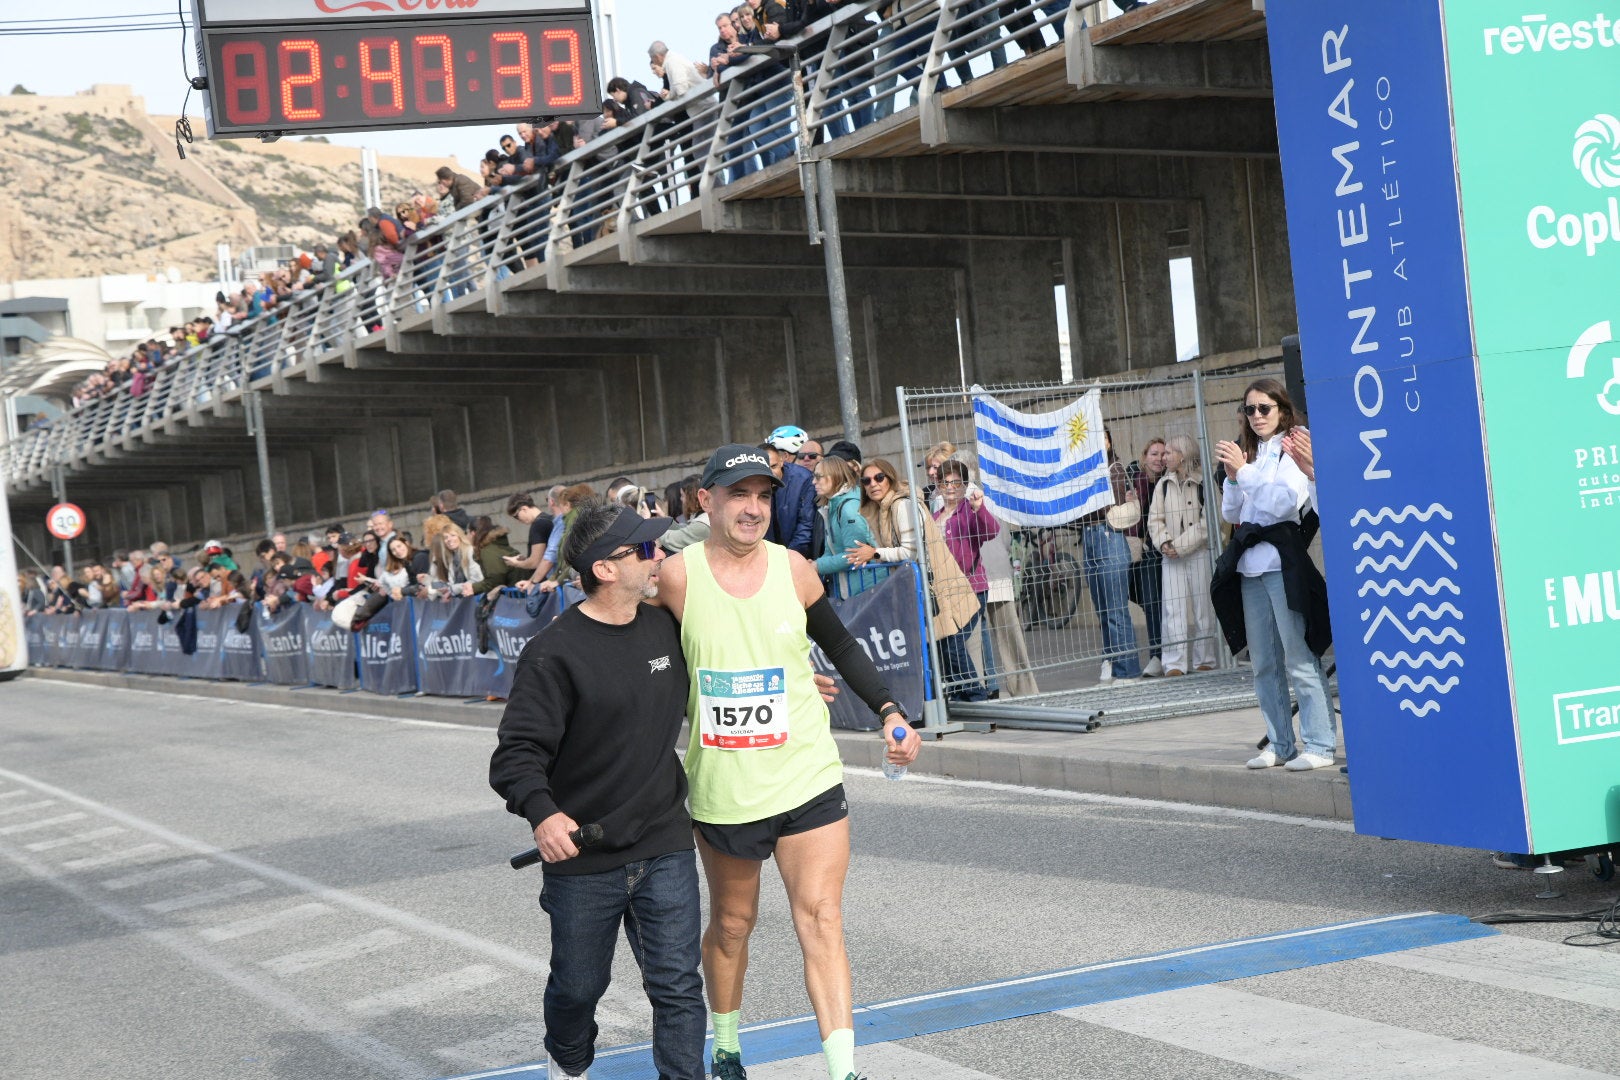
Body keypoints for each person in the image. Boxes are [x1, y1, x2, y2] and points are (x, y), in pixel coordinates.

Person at [655, 444, 921, 1080]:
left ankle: (844, 1070)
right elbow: (654, 674)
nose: (753, 508)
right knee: (731, 925)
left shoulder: (796, 568)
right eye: (739, 495)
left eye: (764, 496)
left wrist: (889, 710)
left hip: (806, 773)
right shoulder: (677, 577)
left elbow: (841, 645)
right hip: (726, 785)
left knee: (823, 918)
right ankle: (725, 1046)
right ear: (706, 501)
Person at [489, 505, 707, 1080]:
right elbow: (515, 754)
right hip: (583, 854)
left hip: (663, 838)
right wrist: (544, 816)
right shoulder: (553, 653)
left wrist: (789, 680)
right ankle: (570, 1059)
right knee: (579, 988)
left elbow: (722, 672)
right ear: (605, 569)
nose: (658, 556)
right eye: (644, 550)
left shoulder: (667, 626)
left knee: (679, 986)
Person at [1213, 379, 1336, 772]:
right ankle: (1281, 742)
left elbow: (1284, 504)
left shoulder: (1293, 445)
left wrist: (1244, 473)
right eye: (1249, 410)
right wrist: (1233, 476)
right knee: (1264, 661)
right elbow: (1233, 514)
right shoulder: (1251, 452)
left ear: (1282, 409)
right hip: (1250, 566)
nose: (1257, 416)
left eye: (1264, 408)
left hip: (1282, 562)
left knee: (1299, 656)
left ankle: (1319, 743)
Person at [1148, 434, 1217, 676]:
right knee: (1173, 610)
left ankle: (1205, 658)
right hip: (1170, 556)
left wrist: (1180, 546)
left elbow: (1208, 523)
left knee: (1203, 608)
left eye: (1169, 452)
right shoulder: (1163, 485)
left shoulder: (1203, 483)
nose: (1164, 457)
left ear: (1183, 455)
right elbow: (1154, 520)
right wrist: (1165, 543)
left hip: (1198, 553)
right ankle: (1174, 663)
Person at [932, 459, 999, 701]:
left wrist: (979, 508)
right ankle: (961, 693)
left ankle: (975, 694)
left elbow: (991, 530)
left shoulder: (968, 511)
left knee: (954, 641)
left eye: (955, 482)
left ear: (964, 485)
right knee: (945, 642)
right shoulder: (935, 516)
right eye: (944, 482)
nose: (950, 487)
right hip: (945, 590)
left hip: (971, 587)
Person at [1081, 431, 1142, 683]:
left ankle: (1127, 669)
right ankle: (1110, 659)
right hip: (1090, 537)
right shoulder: (1083, 471)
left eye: (1102, 437)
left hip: (1108, 537)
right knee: (1103, 609)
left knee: (1116, 608)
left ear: (1109, 441)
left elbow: (1103, 504)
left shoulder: (1114, 468)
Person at [1125, 438, 1167, 677]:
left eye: (1163, 454)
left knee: (1154, 603)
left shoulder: (1167, 482)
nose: (1159, 458)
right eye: (1154, 453)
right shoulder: (1135, 481)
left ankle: (1159, 655)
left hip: (1160, 550)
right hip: (1139, 551)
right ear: (1144, 457)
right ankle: (1160, 652)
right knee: (1147, 600)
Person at [811, 455, 877, 599]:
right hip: (853, 587)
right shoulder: (833, 506)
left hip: (867, 588)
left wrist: (817, 566)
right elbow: (831, 551)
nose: (813, 481)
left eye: (818, 477)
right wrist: (815, 563)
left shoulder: (849, 508)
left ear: (834, 476)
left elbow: (854, 555)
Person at [761, 425, 818, 558]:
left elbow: (805, 525)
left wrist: (787, 559)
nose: (770, 472)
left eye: (773, 466)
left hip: (797, 558)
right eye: (765, 468)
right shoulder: (753, 483)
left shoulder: (803, 479)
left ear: (782, 460)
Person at [427, 523, 484, 599]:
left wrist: (452, 589)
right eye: (446, 537)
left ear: (460, 536)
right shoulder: (452, 557)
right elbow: (451, 584)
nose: (449, 539)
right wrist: (427, 581)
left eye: (453, 535)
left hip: (476, 597)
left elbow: (477, 580)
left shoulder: (470, 551)